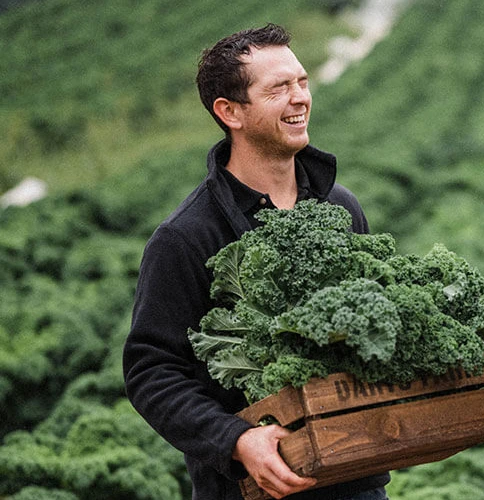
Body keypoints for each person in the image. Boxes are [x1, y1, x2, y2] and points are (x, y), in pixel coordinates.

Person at [123, 24, 390, 500]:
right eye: (278, 89)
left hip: (355, 480)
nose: (300, 97)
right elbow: (153, 371)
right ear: (230, 112)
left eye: (302, 82)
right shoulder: (185, 237)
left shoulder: (340, 206)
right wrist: (236, 440)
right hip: (253, 490)